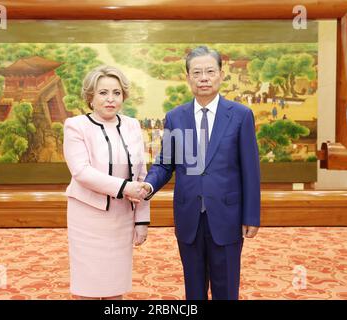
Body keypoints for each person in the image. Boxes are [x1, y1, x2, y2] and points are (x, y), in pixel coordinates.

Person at [141, 46, 261, 300]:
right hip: (189, 216)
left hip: (227, 215)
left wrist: (251, 215)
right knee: (193, 290)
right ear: (188, 78)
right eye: (197, 72)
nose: (203, 78)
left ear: (221, 75)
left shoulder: (240, 116)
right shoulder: (176, 117)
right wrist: (148, 186)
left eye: (209, 71)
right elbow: (165, 163)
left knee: (226, 289)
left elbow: (251, 170)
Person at [63, 65, 150, 300]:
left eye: (116, 93)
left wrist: (141, 220)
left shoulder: (132, 125)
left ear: (124, 96)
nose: (110, 99)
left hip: (122, 219)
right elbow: (81, 171)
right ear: (90, 97)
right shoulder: (76, 125)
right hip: (88, 218)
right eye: (103, 93)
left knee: (115, 287)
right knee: (88, 288)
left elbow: (141, 176)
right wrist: (124, 188)